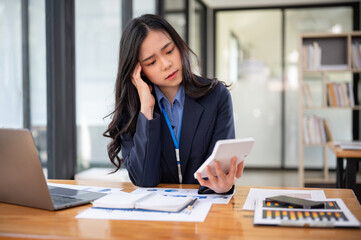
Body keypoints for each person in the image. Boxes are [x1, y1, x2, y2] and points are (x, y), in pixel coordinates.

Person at [103, 14, 244, 194]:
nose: (166, 64)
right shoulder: (132, 109)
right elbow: (144, 179)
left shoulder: (216, 96)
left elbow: (218, 170)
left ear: (179, 46)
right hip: (155, 217)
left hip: (206, 212)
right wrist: (147, 110)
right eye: (151, 62)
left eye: (169, 51)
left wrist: (222, 185)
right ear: (138, 71)